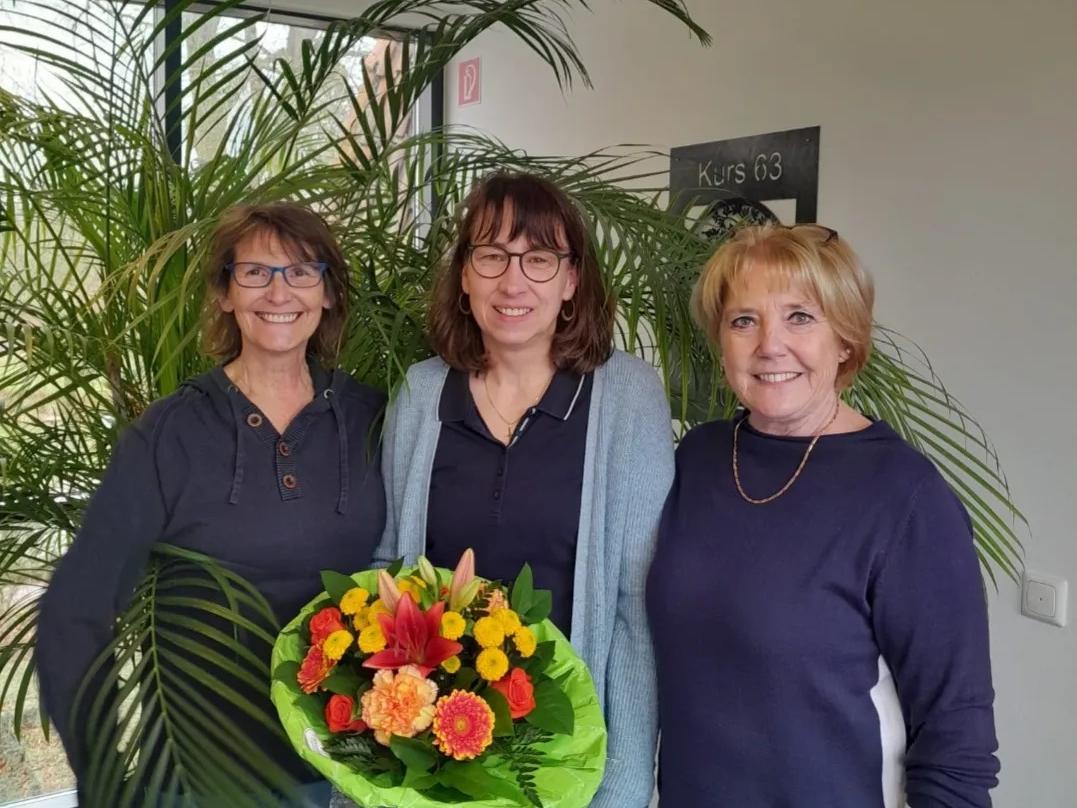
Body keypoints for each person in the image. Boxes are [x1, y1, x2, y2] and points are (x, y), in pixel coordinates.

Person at [36, 203, 387, 804]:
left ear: (328, 294)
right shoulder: (168, 436)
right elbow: (74, 616)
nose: (280, 291)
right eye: (255, 272)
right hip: (205, 778)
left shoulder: (375, 419)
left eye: (303, 271)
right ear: (224, 293)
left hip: (359, 773)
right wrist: (105, 780)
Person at [647, 223, 999, 807]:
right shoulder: (696, 458)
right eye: (744, 320)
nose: (769, 344)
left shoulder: (905, 496)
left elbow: (956, 732)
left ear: (845, 340)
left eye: (800, 317)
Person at [367, 172, 673, 807]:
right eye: (491, 256)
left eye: (539, 259)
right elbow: (388, 570)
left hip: (566, 759)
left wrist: (619, 784)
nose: (513, 281)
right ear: (465, 279)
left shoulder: (627, 398)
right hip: (433, 759)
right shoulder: (423, 395)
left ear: (571, 281)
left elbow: (634, 609)